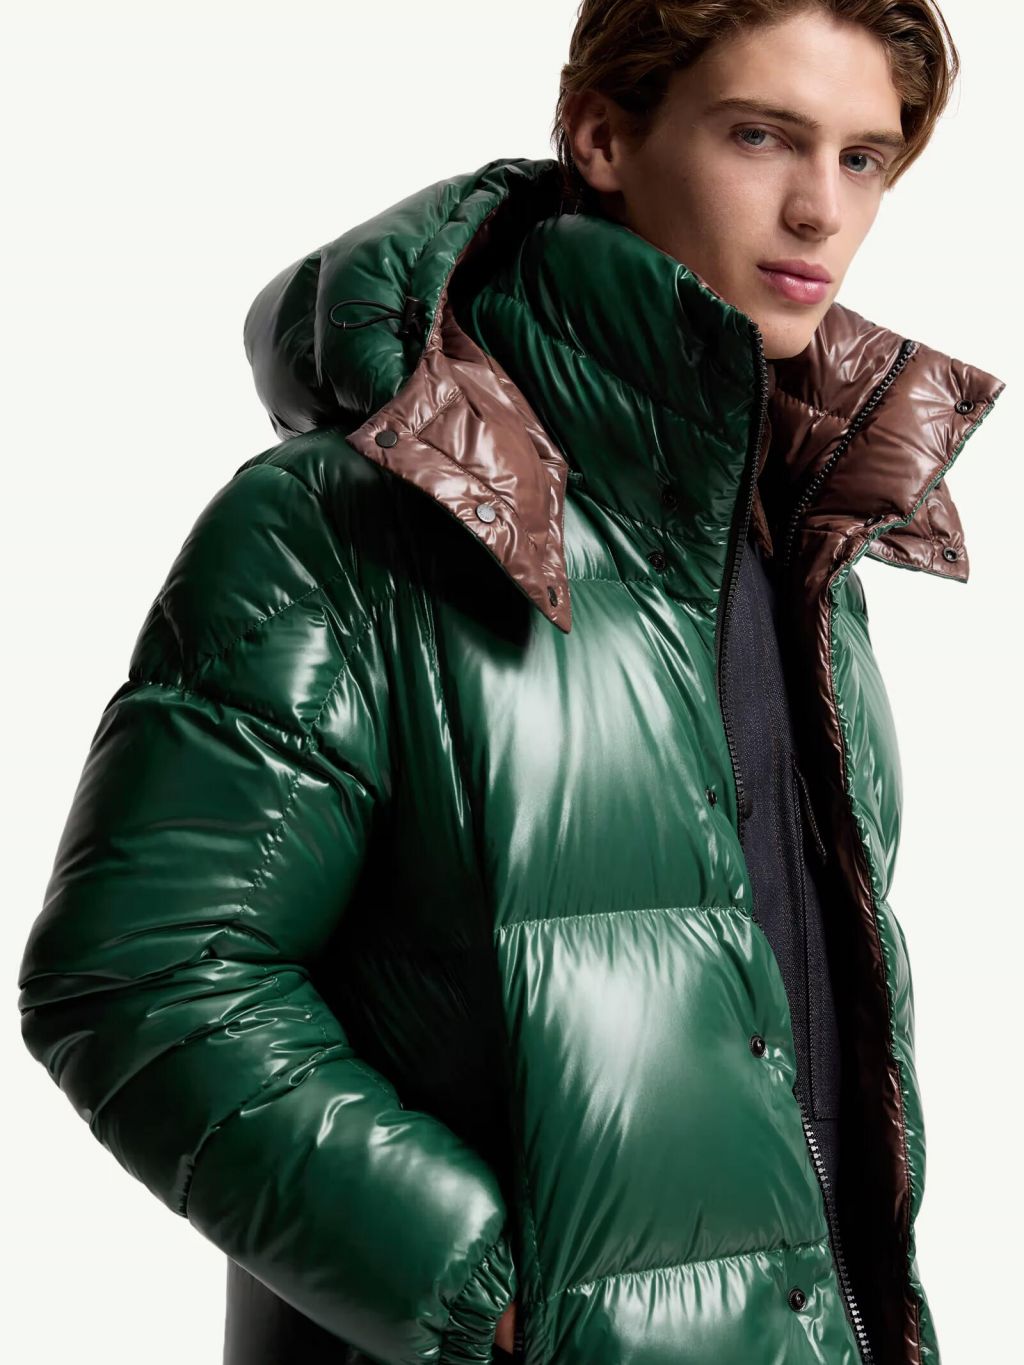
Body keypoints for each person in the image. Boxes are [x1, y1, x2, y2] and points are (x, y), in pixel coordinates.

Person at [16, 3, 1005, 1363]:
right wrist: (479, 1289)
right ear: (602, 135)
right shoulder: (347, 526)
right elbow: (143, 973)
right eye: (760, 136)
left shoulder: (802, 546)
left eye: (862, 159)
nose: (818, 210)